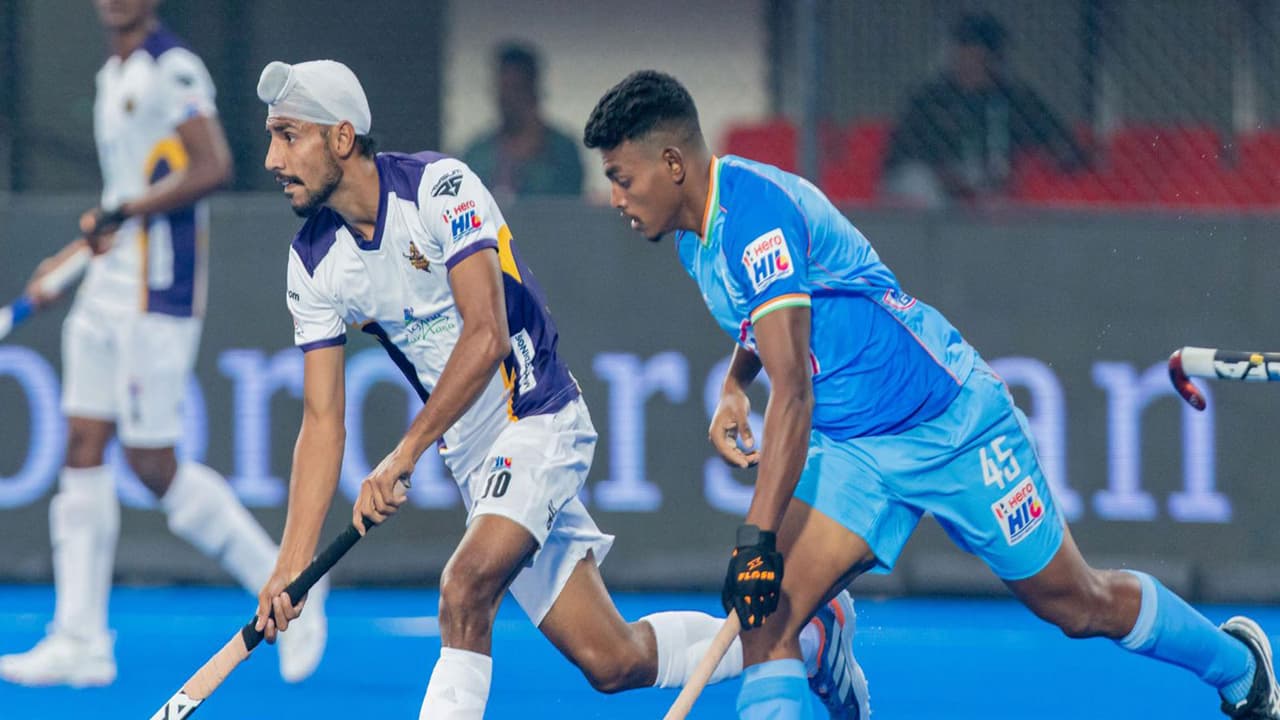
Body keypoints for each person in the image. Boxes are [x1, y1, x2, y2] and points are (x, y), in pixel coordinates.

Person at [583, 69, 1280, 720]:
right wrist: (736, 384)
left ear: (672, 165)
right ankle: (820, 642)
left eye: (621, 177)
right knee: (768, 619)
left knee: (1076, 604)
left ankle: (1239, 666)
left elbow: (793, 393)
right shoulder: (694, 239)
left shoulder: (755, 216)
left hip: (954, 426)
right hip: (858, 451)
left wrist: (756, 541)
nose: (615, 197)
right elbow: (768, 324)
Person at [252, 59, 868, 719]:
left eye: (289, 135)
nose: (270, 158)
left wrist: (405, 452)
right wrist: (291, 564)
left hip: (536, 415)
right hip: (473, 457)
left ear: (342, 138)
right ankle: (807, 638)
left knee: (464, 590)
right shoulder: (311, 261)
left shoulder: (439, 188)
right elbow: (321, 420)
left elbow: (486, 336)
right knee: (613, 659)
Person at [0, 0, 327, 688]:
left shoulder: (172, 68)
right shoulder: (109, 75)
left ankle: (295, 585)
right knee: (83, 444)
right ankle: (81, 640)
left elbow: (212, 166)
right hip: (106, 286)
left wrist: (120, 214)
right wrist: (69, 260)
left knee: (152, 466)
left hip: (159, 292)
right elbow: (124, 198)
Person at [880, 11, 1087, 208]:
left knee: (1003, 198)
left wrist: (1038, 162)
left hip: (992, 179)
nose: (967, 67)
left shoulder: (1016, 99)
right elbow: (901, 153)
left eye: (977, 61)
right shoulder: (931, 98)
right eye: (961, 58)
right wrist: (944, 174)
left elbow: (1059, 141)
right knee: (918, 183)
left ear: (994, 61)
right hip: (935, 182)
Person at [460, 42, 584, 198]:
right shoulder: (477, 154)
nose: (508, 100)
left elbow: (569, 209)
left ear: (533, 90)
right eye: (503, 89)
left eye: (516, 89)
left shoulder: (562, 151)